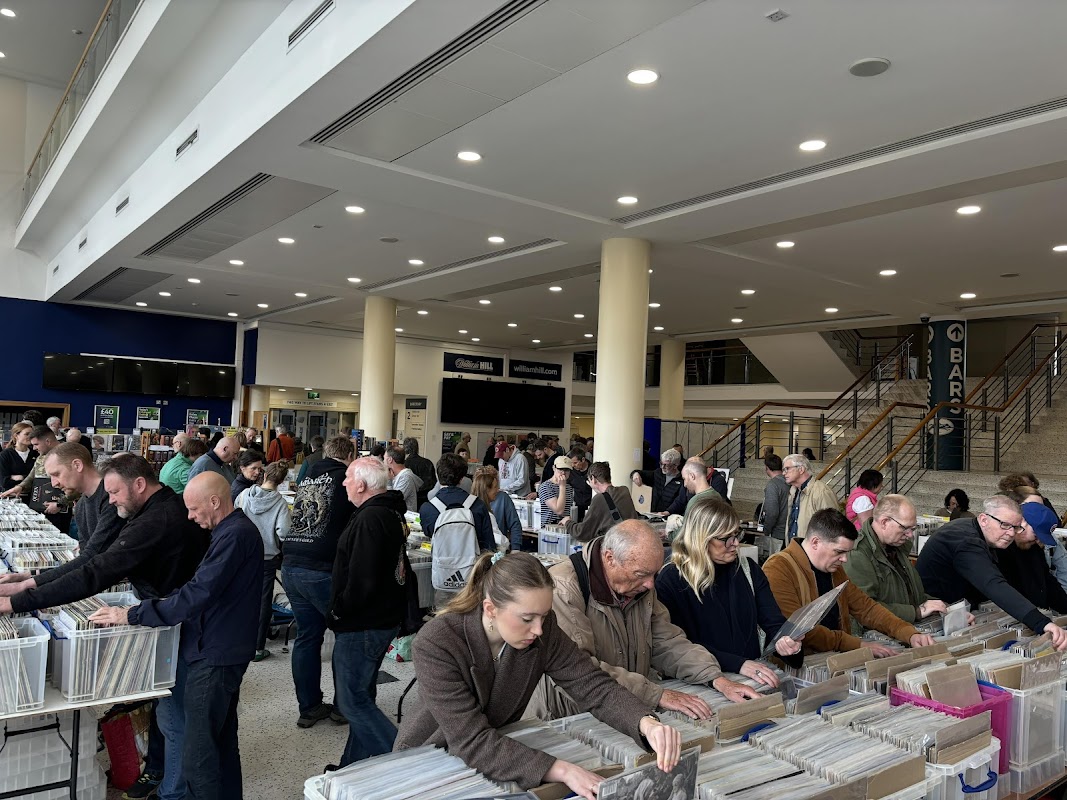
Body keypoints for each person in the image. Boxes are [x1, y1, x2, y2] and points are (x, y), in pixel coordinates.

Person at [0, 455, 209, 800]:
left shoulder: (154, 519)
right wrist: (29, 583)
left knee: (175, 718)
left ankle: (174, 793)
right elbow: (93, 563)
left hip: (184, 625)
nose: (110, 501)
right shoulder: (155, 507)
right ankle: (162, 773)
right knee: (166, 709)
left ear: (138, 484)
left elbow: (95, 573)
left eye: (114, 493)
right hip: (169, 616)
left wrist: (16, 602)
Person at [394, 552, 683, 800]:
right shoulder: (437, 641)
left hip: (495, 758)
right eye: (527, 618)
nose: (539, 630)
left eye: (544, 616)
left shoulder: (541, 631)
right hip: (428, 759)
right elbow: (471, 739)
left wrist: (645, 723)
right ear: (490, 609)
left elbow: (592, 685)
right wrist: (562, 770)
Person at [90, 472, 262, 800]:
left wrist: (132, 614)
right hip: (218, 647)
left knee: (198, 755)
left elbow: (198, 593)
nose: (190, 517)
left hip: (216, 655)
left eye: (194, 509)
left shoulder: (236, 534)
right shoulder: (228, 531)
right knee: (220, 744)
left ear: (215, 502)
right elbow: (200, 589)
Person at [530, 519, 760, 722]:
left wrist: (715, 678)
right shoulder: (563, 589)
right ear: (610, 559)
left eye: (654, 574)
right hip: (567, 719)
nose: (650, 584)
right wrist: (655, 695)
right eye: (641, 574)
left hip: (624, 712)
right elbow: (578, 672)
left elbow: (666, 641)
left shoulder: (639, 586)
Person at [656, 497, 802, 685]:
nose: (735, 543)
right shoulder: (671, 579)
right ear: (701, 538)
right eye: (726, 538)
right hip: (697, 682)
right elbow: (677, 646)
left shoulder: (748, 570)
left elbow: (773, 623)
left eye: (737, 535)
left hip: (750, 677)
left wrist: (788, 643)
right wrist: (738, 664)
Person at [763, 509, 934, 656]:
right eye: (839, 551)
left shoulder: (834, 569)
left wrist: (909, 633)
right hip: (797, 665)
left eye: (847, 552)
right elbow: (798, 629)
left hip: (833, 659)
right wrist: (856, 645)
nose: (844, 559)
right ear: (815, 542)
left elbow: (866, 608)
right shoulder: (778, 568)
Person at [330, 457, 408, 766]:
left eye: (348, 477)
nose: (344, 482)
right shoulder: (385, 512)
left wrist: (338, 611)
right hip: (377, 618)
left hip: (362, 623)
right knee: (362, 696)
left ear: (361, 485)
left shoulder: (370, 519)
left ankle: (405, 763)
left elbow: (362, 579)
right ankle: (352, 766)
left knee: (353, 702)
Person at [917, 495, 1067, 651]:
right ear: (984, 520)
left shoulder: (978, 533)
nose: (1011, 533)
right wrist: (1042, 623)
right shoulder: (966, 540)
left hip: (953, 612)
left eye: (1015, 527)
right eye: (1005, 525)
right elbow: (993, 584)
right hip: (932, 616)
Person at [281, 435, 356, 727]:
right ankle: (343, 707)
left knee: (307, 637)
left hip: (291, 563)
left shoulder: (309, 475)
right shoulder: (346, 479)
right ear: (349, 455)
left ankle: (309, 707)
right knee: (346, 635)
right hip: (322, 568)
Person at [0, 443, 125, 597]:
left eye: (56, 474)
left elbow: (91, 557)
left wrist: (27, 583)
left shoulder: (113, 500)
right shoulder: (81, 505)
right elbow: (84, 558)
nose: (54, 483)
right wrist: (28, 576)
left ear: (77, 465)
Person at [843, 495, 947, 632]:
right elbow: (864, 610)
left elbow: (912, 595)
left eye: (913, 529)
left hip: (903, 629)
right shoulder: (857, 554)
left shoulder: (896, 546)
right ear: (884, 522)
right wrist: (916, 612)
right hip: (877, 637)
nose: (910, 535)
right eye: (905, 528)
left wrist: (947, 610)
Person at [235, 460, 291, 662]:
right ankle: (258, 647)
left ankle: (237, 639)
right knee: (263, 600)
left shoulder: (244, 495)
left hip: (243, 555)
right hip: (266, 557)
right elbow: (283, 532)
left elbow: (234, 518)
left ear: (264, 475)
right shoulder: (280, 504)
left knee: (240, 596)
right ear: (282, 482)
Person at [995, 496, 1067, 615]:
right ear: (1021, 523)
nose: (1038, 540)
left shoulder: (1032, 547)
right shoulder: (998, 550)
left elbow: (1049, 583)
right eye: (1036, 534)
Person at [0, 425, 73, 531]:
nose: (33, 448)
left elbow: (77, 485)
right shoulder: (41, 456)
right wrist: (20, 487)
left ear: (47, 441)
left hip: (59, 511)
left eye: (36, 444)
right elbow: (31, 477)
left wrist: (60, 504)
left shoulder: (69, 454)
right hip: (39, 509)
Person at [419, 453, 495, 551]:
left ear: (438, 476)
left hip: (441, 560)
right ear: (462, 479)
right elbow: (489, 545)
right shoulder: (478, 505)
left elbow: (428, 535)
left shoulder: (427, 509)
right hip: (474, 559)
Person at [564, 461, 638, 543]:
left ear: (593, 479)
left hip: (614, 546)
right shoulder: (624, 490)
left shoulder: (599, 499)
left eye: (589, 480)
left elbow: (582, 533)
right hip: (631, 542)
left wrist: (568, 522)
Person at [782, 453, 838, 541]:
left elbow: (832, 528)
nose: (783, 473)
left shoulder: (821, 492)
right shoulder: (794, 491)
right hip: (795, 547)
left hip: (813, 548)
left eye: (787, 469)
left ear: (801, 469)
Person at [472, 466, 523, 552]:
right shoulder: (477, 507)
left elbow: (515, 525)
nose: (498, 489)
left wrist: (515, 548)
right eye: (495, 487)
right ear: (486, 489)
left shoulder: (503, 498)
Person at [538, 456, 574, 526]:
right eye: (560, 469)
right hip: (548, 527)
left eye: (566, 470)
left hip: (564, 526)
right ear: (554, 468)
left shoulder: (569, 487)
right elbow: (558, 510)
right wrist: (562, 487)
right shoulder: (546, 486)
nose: (563, 473)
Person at [384, 446, 422, 512]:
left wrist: (389, 481)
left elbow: (393, 501)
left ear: (390, 460)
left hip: (405, 517)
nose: (383, 461)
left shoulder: (406, 478)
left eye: (384, 458)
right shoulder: (396, 475)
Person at [760, 454, 789, 540]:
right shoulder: (790, 481)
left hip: (778, 534)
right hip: (789, 531)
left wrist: (766, 530)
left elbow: (772, 512)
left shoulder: (773, 485)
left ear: (767, 468)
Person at [0, 421, 35, 490]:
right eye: (27, 434)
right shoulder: (5, 455)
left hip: (33, 494)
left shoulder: (35, 453)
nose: (30, 437)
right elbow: (4, 482)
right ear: (16, 436)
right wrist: (28, 478)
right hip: (11, 494)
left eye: (32, 434)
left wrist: (20, 477)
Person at [402, 437, 436, 508]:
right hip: (427, 500)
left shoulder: (405, 465)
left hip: (411, 502)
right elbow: (433, 483)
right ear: (417, 448)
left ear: (405, 449)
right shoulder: (428, 463)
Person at [566, 448, 592, 519]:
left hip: (591, 507)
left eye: (575, 463)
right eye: (571, 463)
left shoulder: (592, 470)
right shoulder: (571, 472)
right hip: (577, 508)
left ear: (583, 460)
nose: (573, 465)